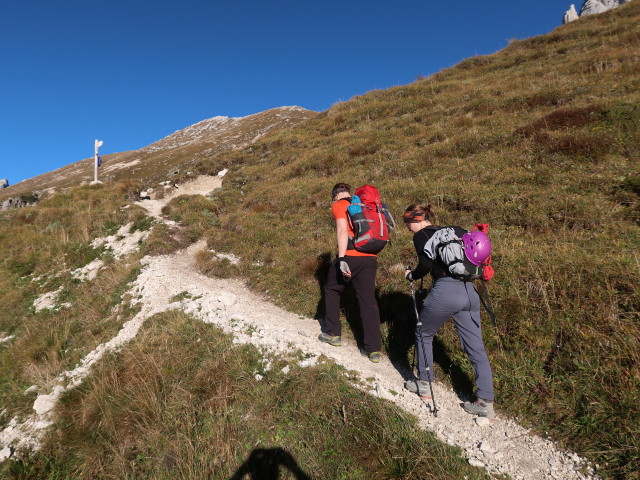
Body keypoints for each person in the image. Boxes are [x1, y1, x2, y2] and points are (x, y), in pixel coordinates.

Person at [402, 204, 496, 419]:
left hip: (446, 289)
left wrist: (411, 275)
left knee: (423, 333)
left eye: (407, 223)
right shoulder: (455, 231)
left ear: (416, 220)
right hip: (470, 291)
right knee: (476, 347)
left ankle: (424, 383)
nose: (408, 228)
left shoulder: (421, 235)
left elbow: (425, 265)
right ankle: (485, 401)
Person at [319, 182, 383, 363]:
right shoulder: (363, 206)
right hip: (370, 257)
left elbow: (341, 230)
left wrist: (341, 259)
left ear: (335, 196)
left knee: (332, 289)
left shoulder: (339, 205)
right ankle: (373, 350)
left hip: (351, 255)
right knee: (368, 301)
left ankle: (333, 333)